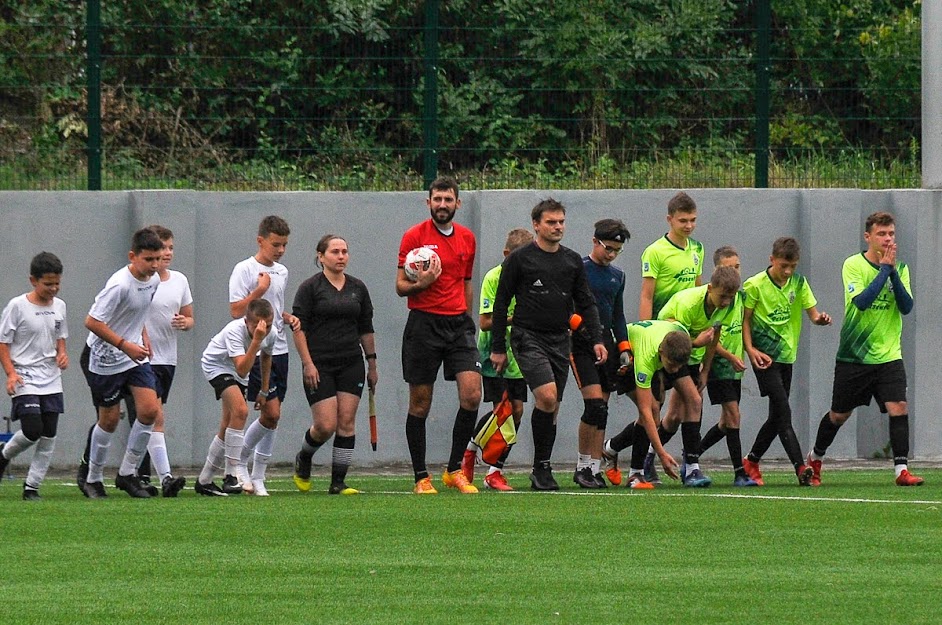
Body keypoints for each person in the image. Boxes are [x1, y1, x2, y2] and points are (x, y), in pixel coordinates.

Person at [490, 198, 606, 491]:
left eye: (561, 222)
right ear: (536, 225)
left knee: (551, 405)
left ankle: (541, 469)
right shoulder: (520, 259)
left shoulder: (571, 261)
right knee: (547, 396)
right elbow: (502, 302)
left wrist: (596, 340)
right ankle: (541, 467)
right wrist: (498, 347)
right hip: (527, 336)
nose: (557, 227)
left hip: (559, 339)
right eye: (551, 222)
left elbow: (586, 302)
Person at [808, 212, 923, 486]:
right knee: (839, 415)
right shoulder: (853, 265)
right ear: (868, 237)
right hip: (855, 355)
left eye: (891, 234)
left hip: (889, 355)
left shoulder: (901, 268)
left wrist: (892, 272)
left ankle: (901, 471)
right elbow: (861, 301)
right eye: (882, 234)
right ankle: (815, 457)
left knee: (899, 407)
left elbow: (906, 307)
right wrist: (883, 270)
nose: (887, 239)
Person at [396, 176, 481, 495]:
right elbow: (400, 286)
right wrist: (422, 283)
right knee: (420, 404)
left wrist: (468, 320)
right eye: (437, 199)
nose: (442, 205)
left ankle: (455, 469)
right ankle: (421, 477)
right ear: (428, 202)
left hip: (458, 326)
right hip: (423, 325)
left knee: (472, 395)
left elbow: (467, 282)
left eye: (448, 200)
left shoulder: (467, 238)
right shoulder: (413, 237)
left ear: (458, 203)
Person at [80, 228, 164, 499]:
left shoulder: (153, 281)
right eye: (148, 259)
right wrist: (124, 345)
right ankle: (92, 478)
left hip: (133, 355)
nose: (154, 265)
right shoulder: (119, 285)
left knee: (150, 410)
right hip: (105, 357)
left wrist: (143, 336)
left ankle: (127, 474)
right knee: (110, 420)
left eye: (157, 259)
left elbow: (138, 314)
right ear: (133, 256)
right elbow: (92, 322)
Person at [291, 234, 378, 495]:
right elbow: (299, 329)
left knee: (347, 421)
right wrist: (308, 363)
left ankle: (338, 482)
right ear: (321, 256)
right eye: (335, 252)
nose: (341, 256)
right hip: (320, 363)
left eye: (345, 252)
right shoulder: (310, 288)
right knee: (325, 425)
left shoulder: (358, 288)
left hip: (351, 363)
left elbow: (366, 328)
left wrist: (372, 363)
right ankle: (304, 457)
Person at [741, 237, 831, 486]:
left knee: (776, 416)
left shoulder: (799, 283)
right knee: (784, 410)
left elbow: (812, 314)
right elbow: (745, 320)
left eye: (792, 266)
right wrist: (750, 350)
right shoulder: (754, 285)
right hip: (764, 358)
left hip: (787, 356)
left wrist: (820, 319)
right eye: (783, 266)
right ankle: (800, 467)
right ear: (772, 260)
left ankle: (751, 460)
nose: (788, 271)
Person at [643, 265, 740, 487]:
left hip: (691, 356)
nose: (726, 302)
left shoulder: (729, 304)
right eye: (722, 296)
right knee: (687, 403)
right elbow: (676, 342)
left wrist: (705, 371)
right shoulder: (688, 304)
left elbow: (715, 335)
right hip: (669, 351)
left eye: (730, 297)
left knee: (675, 416)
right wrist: (697, 343)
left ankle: (648, 460)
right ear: (709, 288)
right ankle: (691, 468)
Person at [228, 215, 301, 496]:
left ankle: (258, 476)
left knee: (273, 417)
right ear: (261, 241)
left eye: (284, 245)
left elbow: (272, 309)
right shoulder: (244, 269)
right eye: (275, 244)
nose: (280, 250)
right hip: (253, 349)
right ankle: (238, 464)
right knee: (268, 411)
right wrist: (259, 290)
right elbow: (236, 311)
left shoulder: (281, 272)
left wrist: (286, 317)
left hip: (278, 347)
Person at [637, 191, 704, 483]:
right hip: (662, 342)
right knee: (655, 408)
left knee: (692, 401)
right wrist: (647, 333)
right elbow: (647, 295)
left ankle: (691, 466)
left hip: (684, 342)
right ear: (669, 219)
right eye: (682, 220)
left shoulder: (697, 249)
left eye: (692, 220)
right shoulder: (655, 252)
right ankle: (625, 453)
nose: (688, 226)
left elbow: (699, 292)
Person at [461, 228, 533, 492]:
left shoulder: (529, 278)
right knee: (501, 412)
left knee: (517, 412)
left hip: (522, 354)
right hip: (494, 353)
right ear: (507, 255)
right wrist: (519, 317)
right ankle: (471, 452)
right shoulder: (494, 277)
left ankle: (494, 470)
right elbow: (486, 322)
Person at [569, 219, 632, 489]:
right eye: (608, 248)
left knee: (602, 410)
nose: (611, 254)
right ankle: (582, 465)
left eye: (617, 250)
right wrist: (584, 331)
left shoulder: (617, 275)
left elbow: (618, 315)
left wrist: (624, 348)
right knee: (593, 405)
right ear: (595, 241)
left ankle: (594, 468)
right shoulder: (578, 270)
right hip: (581, 341)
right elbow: (566, 307)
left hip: (606, 342)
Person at [0, 252, 68, 500]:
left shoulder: (60, 306)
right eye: (48, 284)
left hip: (51, 378)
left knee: (49, 433)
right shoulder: (17, 306)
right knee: (32, 429)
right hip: (24, 377)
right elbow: (3, 343)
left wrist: (62, 354)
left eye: (57, 283)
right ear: (33, 280)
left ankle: (32, 487)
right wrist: (10, 374)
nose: (53, 289)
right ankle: (3, 456)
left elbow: (60, 336)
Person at [195, 299, 275, 496]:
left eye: (269, 325)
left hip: (239, 372)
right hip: (217, 365)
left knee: (228, 423)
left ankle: (204, 480)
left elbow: (266, 357)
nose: (264, 329)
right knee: (240, 411)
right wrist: (256, 341)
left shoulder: (270, 332)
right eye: (257, 326)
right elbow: (242, 367)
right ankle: (232, 475)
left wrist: (264, 390)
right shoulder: (234, 331)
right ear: (246, 321)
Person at [601, 320, 688, 488]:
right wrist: (661, 454)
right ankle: (636, 473)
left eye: (679, 366)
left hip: (647, 347)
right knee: (651, 411)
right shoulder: (646, 358)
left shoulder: (681, 334)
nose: (676, 370)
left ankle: (611, 448)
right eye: (672, 365)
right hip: (623, 353)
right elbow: (645, 410)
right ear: (662, 351)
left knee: (655, 409)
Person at [697, 247, 758, 486]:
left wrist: (749, 350)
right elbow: (711, 334)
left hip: (734, 368)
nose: (735, 271)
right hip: (718, 366)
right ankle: (739, 473)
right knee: (734, 415)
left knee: (726, 422)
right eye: (729, 267)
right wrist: (729, 356)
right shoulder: (714, 299)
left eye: (737, 266)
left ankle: (691, 456)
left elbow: (742, 327)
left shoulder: (740, 299)